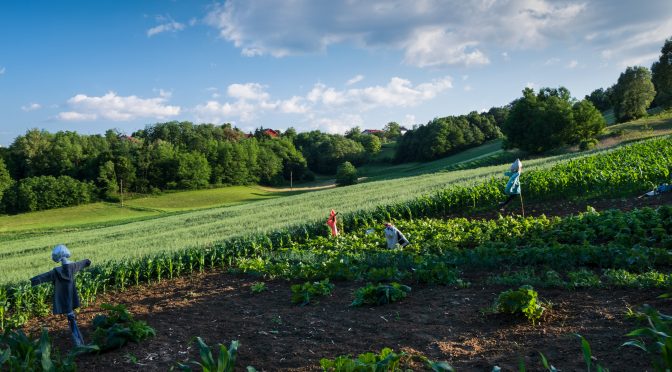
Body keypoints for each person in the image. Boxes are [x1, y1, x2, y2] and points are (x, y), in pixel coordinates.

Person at [30, 244, 91, 347]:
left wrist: (33, 281)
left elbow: (44, 277)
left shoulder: (56, 272)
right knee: (71, 317)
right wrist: (87, 262)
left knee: (71, 319)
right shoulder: (73, 267)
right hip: (72, 297)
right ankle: (79, 341)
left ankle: (79, 342)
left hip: (62, 298)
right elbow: (83, 263)